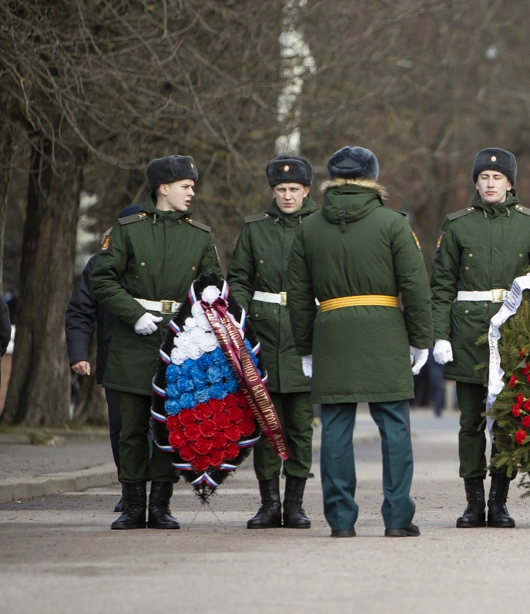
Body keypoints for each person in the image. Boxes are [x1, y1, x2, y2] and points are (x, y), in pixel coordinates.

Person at [289, 146, 433, 538]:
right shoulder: (393, 223)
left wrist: (305, 347)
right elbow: (415, 287)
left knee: (335, 427)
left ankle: (339, 520)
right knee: (395, 427)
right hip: (384, 329)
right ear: (372, 177)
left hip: (332, 331)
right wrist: (421, 339)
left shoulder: (309, 227)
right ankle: (398, 517)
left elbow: (299, 296)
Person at [91, 156, 221, 529]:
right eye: (186, 185)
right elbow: (102, 279)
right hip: (135, 337)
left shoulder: (200, 235)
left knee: (169, 424)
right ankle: (133, 506)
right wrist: (133, 314)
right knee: (131, 427)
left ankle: (161, 505)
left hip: (179, 341)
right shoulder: (128, 229)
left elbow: (213, 289)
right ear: (163, 188)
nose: (192, 191)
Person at [428, 148, 530, 528]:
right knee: (471, 421)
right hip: (467, 334)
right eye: (484, 178)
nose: (490, 184)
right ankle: (473, 503)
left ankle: (500, 502)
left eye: (497, 178)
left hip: (513, 334)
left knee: (508, 420)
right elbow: (442, 286)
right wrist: (439, 336)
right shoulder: (458, 224)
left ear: (510, 183)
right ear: (475, 182)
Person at [227, 155, 318, 530]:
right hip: (262, 334)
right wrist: (242, 324)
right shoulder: (254, 229)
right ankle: (269, 504)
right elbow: (240, 280)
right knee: (266, 422)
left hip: (303, 334)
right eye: (280, 190)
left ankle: (294, 504)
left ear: (307, 191)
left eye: (294, 189)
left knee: (299, 424)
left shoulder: (319, 227)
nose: (286, 196)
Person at [66, 204, 140, 513]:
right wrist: (79, 354)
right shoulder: (100, 265)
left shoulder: (160, 264)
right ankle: (130, 489)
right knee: (121, 429)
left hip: (159, 359)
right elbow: (81, 311)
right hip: (115, 360)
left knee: (152, 426)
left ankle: (156, 490)